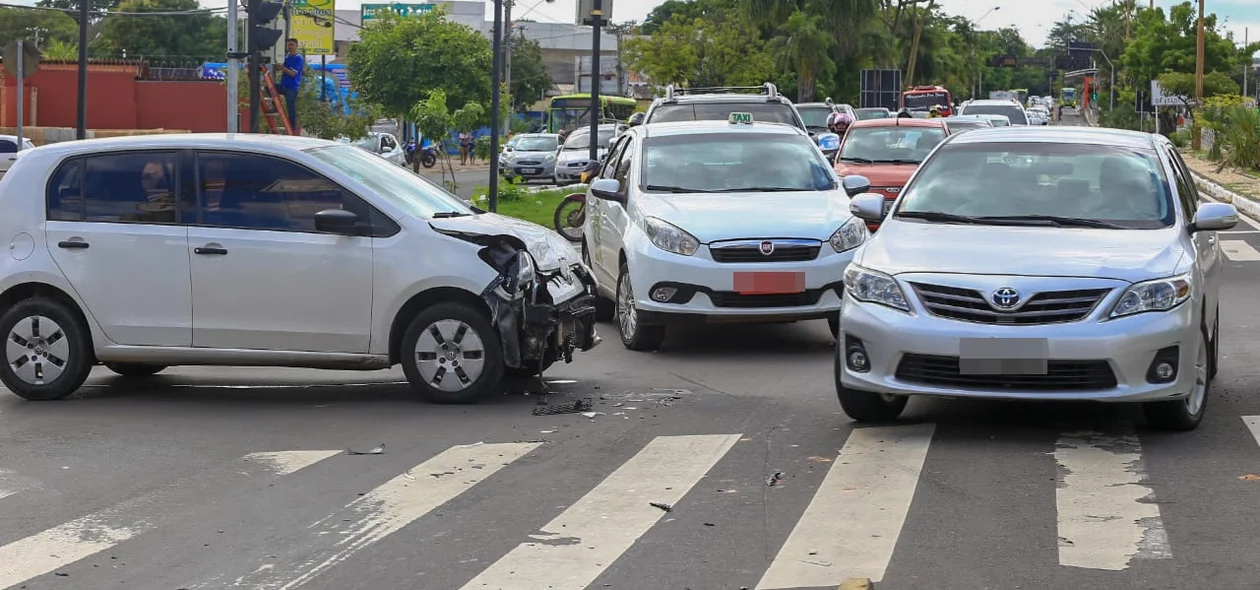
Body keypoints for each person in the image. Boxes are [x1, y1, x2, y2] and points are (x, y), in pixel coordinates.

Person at [278, 38, 303, 134]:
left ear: (296, 46)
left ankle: (292, 131)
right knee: (269, 87)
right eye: (288, 45)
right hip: (283, 86)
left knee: (291, 110)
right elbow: (278, 69)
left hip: (292, 88)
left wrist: (283, 68)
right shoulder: (286, 57)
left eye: (292, 45)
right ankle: (274, 107)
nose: (290, 47)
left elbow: (293, 74)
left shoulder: (298, 59)